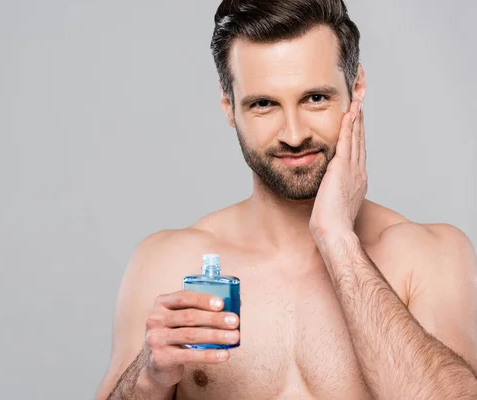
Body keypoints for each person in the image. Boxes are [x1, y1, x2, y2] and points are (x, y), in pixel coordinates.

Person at [95, 0, 477, 399]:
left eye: (315, 98)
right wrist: (148, 378)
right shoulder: (168, 262)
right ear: (229, 106)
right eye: (263, 104)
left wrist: (338, 240)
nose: (293, 134)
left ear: (356, 89)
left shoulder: (430, 256)